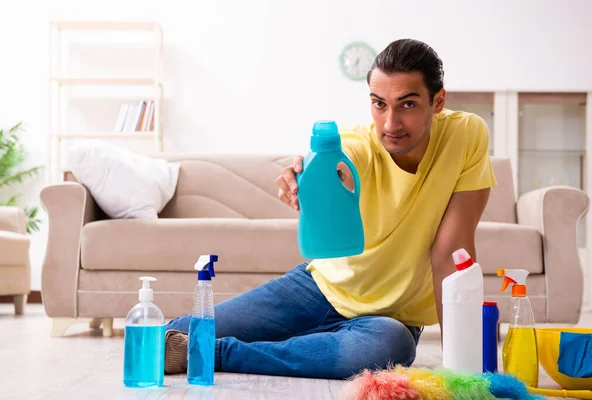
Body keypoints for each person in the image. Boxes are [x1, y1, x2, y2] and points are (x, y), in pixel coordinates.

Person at [163, 38, 497, 379]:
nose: (390, 123)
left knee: (392, 346)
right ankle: (307, 345)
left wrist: (462, 367)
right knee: (168, 336)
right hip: (317, 290)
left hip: (390, 321)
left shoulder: (466, 135)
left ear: (438, 101)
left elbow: (451, 254)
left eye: (407, 105)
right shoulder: (358, 145)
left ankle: (217, 354)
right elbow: (345, 159)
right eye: (379, 104)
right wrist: (316, 174)